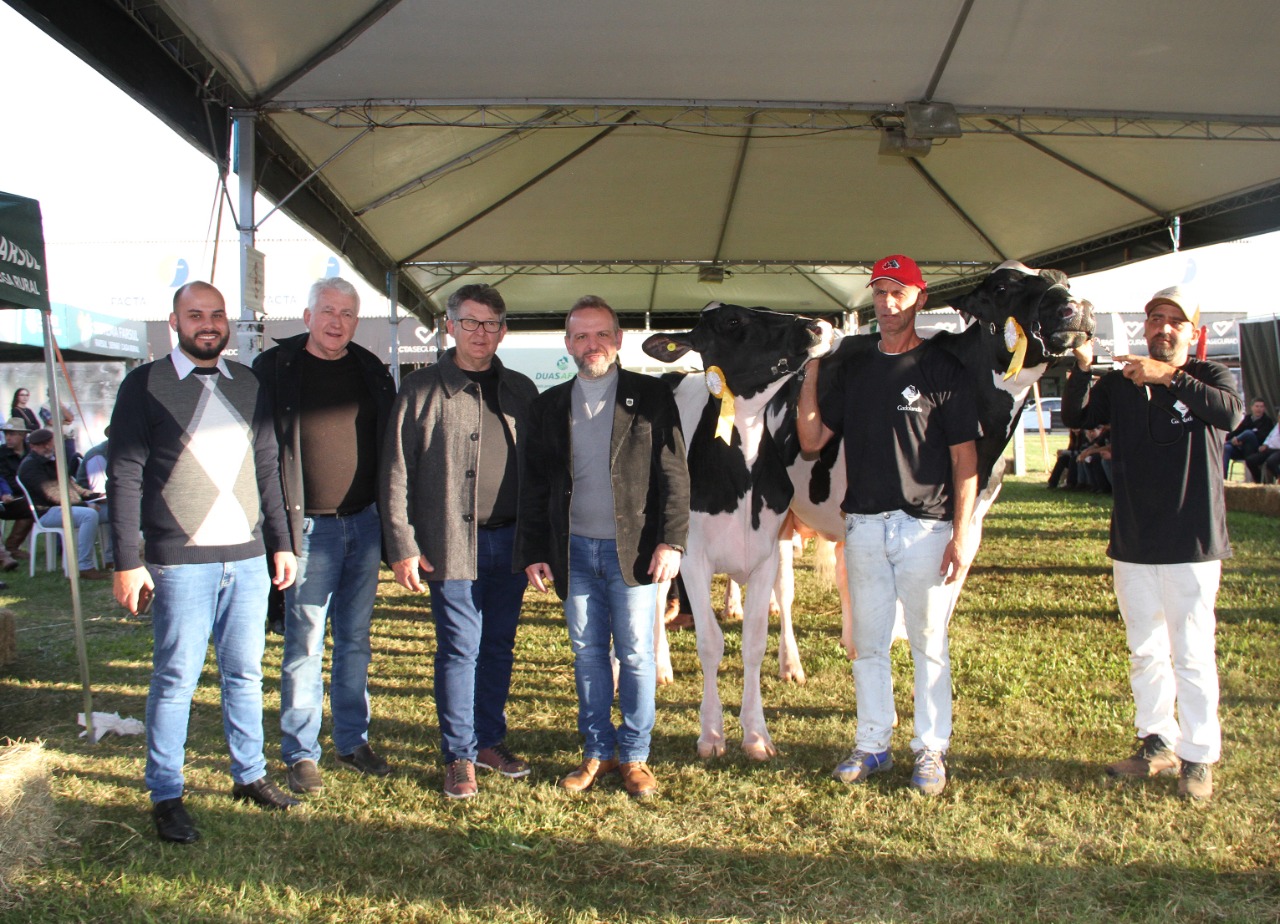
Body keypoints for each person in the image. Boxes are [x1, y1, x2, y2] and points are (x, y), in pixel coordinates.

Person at [108, 281, 300, 844]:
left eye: (217, 314)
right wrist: (126, 561)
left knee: (245, 673)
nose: (208, 324)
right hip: (179, 561)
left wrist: (282, 542)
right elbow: (124, 475)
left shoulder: (249, 383)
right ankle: (167, 793)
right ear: (174, 322)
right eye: (195, 315)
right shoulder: (144, 385)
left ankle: (250, 774)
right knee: (176, 679)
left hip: (247, 558)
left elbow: (268, 466)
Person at [796, 254, 979, 797]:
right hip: (865, 527)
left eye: (899, 292)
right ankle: (872, 743)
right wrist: (813, 368)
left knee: (928, 643)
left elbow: (965, 458)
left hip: (926, 527)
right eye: (880, 292)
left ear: (920, 299)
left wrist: (962, 533)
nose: (888, 302)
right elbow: (811, 440)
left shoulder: (944, 368)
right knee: (868, 644)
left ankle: (931, 750)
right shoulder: (855, 366)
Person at [1062, 284, 1242, 802]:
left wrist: (1169, 377)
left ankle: (1199, 755)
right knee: (1145, 649)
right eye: (1156, 319)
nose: (1163, 328)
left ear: (1193, 332)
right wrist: (1082, 368)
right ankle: (1156, 741)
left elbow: (1230, 415)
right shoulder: (1123, 382)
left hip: (1192, 540)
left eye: (1175, 321)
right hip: (1134, 539)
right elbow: (1077, 416)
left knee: (1192, 653)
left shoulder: (1211, 377)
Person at [516, 295, 689, 800]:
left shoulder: (651, 397)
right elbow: (535, 486)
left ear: (618, 339)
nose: (591, 344)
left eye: (601, 334)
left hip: (632, 553)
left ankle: (635, 756)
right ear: (568, 344)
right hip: (573, 553)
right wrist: (534, 549)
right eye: (581, 336)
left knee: (635, 654)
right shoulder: (548, 406)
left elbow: (675, 475)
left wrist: (672, 541)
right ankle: (598, 751)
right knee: (587, 655)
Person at [380, 283, 537, 800]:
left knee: (498, 646)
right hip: (449, 543)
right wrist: (402, 544)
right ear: (450, 327)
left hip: (510, 544)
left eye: (491, 324)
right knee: (460, 649)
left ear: (503, 331)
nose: (480, 333)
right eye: (470, 322)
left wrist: (537, 542)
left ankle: (489, 740)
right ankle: (459, 755)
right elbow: (395, 471)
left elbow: (540, 473)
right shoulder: (420, 390)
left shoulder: (521, 390)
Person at [253, 277, 397, 793]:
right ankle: (301, 752)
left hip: (365, 523)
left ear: (357, 321)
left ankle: (353, 741)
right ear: (308, 315)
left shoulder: (371, 369)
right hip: (307, 530)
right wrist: (280, 537)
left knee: (355, 641)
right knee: (305, 643)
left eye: (347, 314)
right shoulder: (275, 368)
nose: (337, 322)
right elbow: (263, 456)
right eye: (328, 311)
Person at [17, 427, 107, 579]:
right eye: (41, 444)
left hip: (62, 506)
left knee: (114, 510)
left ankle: (111, 559)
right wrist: (84, 505)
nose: (47, 447)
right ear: (32, 447)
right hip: (46, 511)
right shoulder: (30, 466)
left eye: (48, 442)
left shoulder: (52, 460)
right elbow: (52, 494)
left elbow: (73, 486)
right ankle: (83, 566)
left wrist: (96, 495)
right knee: (89, 515)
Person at [0, 418, 34, 565]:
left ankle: (11, 546)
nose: (8, 437)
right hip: (7, 498)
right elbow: (5, 479)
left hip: (25, 497)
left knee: (35, 506)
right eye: (6, 434)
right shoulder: (1, 454)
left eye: (12, 434)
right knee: (32, 505)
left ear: (22, 435)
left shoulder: (31, 451)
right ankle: (9, 550)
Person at [76, 429, 111, 566]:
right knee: (124, 511)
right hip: (94, 505)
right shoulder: (98, 456)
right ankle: (114, 558)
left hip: (106, 503)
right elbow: (101, 495)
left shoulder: (121, 453)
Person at [1221, 398, 1271, 477]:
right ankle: (1223, 478)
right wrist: (1233, 438)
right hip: (1241, 449)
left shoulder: (1267, 421)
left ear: (1264, 408)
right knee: (1227, 448)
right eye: (1257, 406)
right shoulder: (1247, 419)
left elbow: (1264, 437)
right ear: (1252, 407)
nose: (1259, 409)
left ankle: (1227, 443)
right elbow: (1236, 431)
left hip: (1255, 450)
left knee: (1248, 433)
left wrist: (1240, 439)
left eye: (1261, 407)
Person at [1243, 410, 1280, 483]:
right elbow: (1270, 436)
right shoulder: (1277, 426)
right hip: (1269, 449)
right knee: (1250, 460)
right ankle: (1258, 481)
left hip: (1278, 450)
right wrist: (1265, 444)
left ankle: (1279, 477)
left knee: (1271, 461)